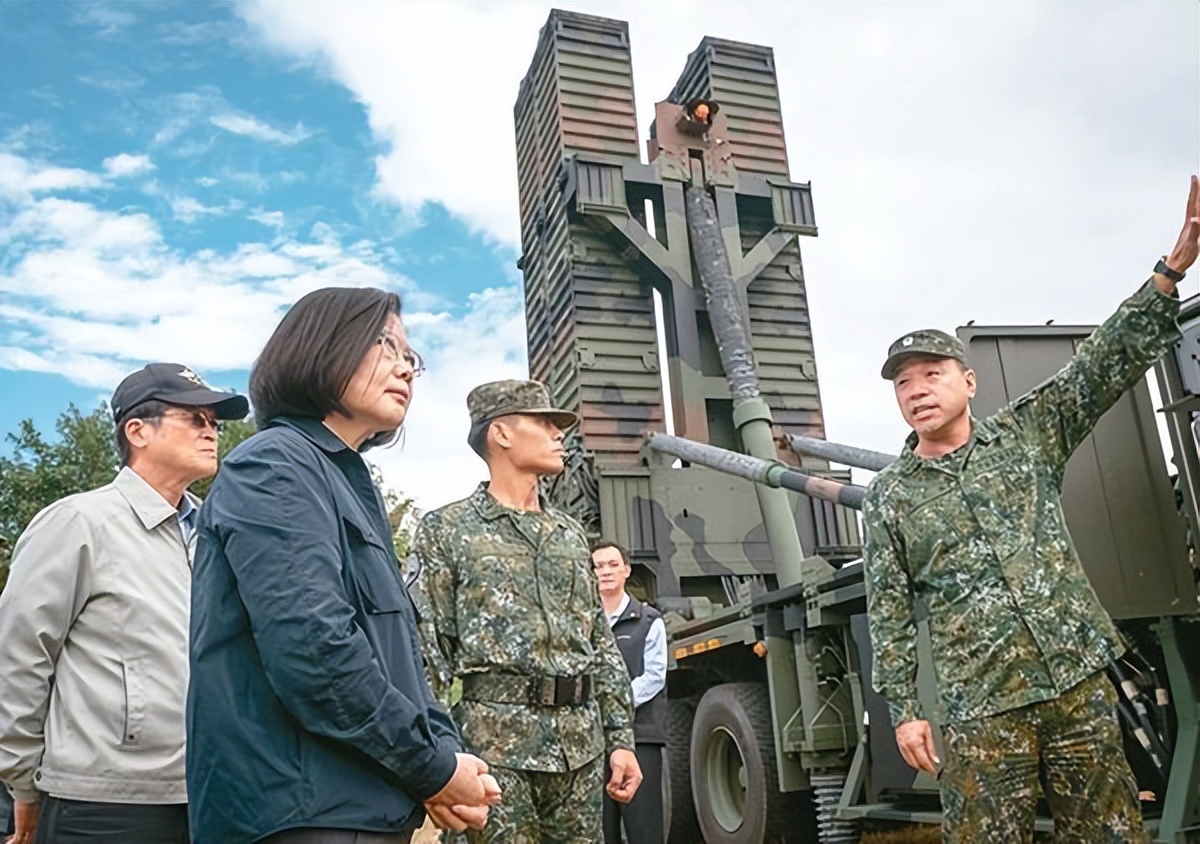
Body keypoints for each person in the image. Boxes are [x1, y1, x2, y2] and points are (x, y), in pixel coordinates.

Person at [862, 175, 1199, 843]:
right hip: (981, 710)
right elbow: (891, 612)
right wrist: (904, 710)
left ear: (968, 380)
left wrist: (1171, 270)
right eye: (904, 383)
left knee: (1111, 834)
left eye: (933, 374)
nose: (918, 391)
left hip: (1075, 682)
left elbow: (1101, 365)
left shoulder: (1026, 434)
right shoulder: (889, 498)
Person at [186, 287, 499, 844]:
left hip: (363, 806)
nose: (405, 367)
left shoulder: (349, 482)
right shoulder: (275, 464)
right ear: (323, 346)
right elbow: (314, 649)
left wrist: (445, 753)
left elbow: (397, 655)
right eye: (387, 344)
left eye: (412, 358)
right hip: (304, 813)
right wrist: (431, 767)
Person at [0, 363, 249, 844]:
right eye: (195, 419)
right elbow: (17, 660)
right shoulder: (77, 523)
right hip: (102, 805)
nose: (211, 432)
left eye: (214, 424)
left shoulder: (214, 535)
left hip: (211, 796)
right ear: (137, 430)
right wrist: (24, 784)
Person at [411, 379, 642, 844]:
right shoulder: (447, 530)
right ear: (501, 434)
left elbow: (598, 642)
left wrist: (620, 739)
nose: (560, 434)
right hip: (493, 753)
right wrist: (436, 758)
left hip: (579, 749)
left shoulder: (571, 535)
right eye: (544, 422)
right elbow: (425, 652)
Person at [591, 543, 667, 844]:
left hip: (640, 737)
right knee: (599, 828)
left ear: (626, 570)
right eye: (598, 566)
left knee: (643, 826)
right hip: (592, 740)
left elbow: (654, 676)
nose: (606, 572)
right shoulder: (582, 622)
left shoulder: (649, 621)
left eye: (612, 564)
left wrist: (613, 704)